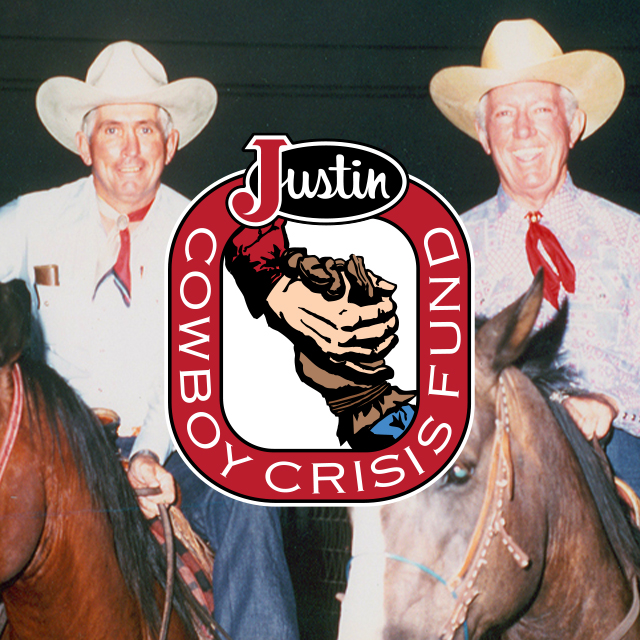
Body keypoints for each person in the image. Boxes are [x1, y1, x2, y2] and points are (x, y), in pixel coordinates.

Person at [0, 41, 299, 640]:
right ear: (84, 143)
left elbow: (198, 370)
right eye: (112, 129)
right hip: (59, 452)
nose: (130, 149)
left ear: (171, 141)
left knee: (252, 500)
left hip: (176, 445)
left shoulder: (210, 238)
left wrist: (150, 454)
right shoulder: (25, 222)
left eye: (145, 129)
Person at [430, 18, 640, 493]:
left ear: (573, 124)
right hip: (491, 467)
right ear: (484, 135)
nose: (523, 130)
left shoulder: (632, 239)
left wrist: (610, 405)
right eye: (504, 115)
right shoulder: (445, 248)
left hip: (617, 453)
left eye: (541, 109)